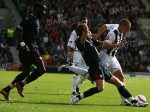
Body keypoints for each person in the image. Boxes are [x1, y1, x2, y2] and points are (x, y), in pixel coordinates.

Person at [58, 24, 148, 107]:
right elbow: (82, 41)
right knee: (100, 88)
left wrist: (117, 44)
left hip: (99, 66)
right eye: (87, 30)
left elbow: (103, 44)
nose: (89, 31)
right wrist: (86, 32)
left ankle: (134, 102)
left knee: (119, 83)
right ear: (83, 31)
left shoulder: (90, 40)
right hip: (94, 67)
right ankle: (77, 98)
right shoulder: (79, 40)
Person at [0, 2, 46, 100]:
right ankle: (21, 84)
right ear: (36, 8)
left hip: (28, 48)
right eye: (42, 9)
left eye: (45, 10)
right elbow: (17, 30)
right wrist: (23, 44)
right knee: (42, 69)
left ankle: (6, 89)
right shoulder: (29, 18)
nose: (44, 12)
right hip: (29, 48)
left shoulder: (37, 20)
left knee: (25, 73)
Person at [94, 18, 132, 105]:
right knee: (94, 76)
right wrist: (117, 45)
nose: (128, 30)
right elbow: (105, 46)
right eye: (127, 28)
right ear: (122, 26)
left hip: (112, 57)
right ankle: (78, 80)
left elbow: (104, 26)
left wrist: (97, 35)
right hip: (104, 56)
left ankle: (124, 101)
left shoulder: (116, 26)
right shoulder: (113, 33)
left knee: (121, 77)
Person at [67, 17, 89, 95]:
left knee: (87, 74)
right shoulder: (75, 32)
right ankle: (73, 90)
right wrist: (69, 52)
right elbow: (70, 43)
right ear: (79, 22)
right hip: (77, 53)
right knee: (76, 71)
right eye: (83, 22)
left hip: (86, 54)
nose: (84, 24)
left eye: (86, 22)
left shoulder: (88, 32)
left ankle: (76, 85)